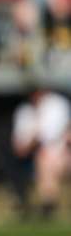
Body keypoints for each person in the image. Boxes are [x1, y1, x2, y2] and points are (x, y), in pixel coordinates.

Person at [11, 89, 70, 219]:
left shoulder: (57, 105)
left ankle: (48, 205)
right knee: (43, 159)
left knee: (47, 158)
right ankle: (33, 204)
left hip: (60, 154)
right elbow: (19, 145)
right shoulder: (24, 111)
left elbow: (48, 135)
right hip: (33, 156)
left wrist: (31, 143)